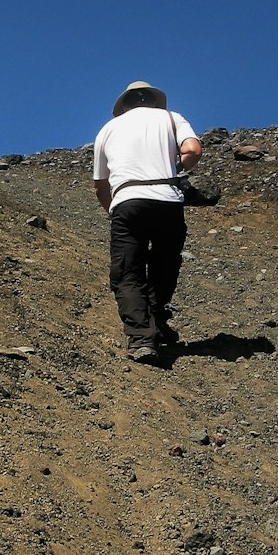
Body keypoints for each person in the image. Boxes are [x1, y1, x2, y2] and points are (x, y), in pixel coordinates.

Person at [93, 80, 203, 364]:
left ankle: (142, 339)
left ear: (125, 104)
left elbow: (100, 184)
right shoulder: (171, 117)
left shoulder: (108, 129)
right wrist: (174, 169)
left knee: (127, 272)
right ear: (153, 101)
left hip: (127, 201)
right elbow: (193, 150)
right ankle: (156, 318)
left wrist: (112, 209)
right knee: (165, 261)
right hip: (168, 199)